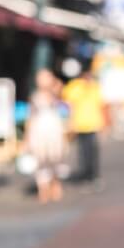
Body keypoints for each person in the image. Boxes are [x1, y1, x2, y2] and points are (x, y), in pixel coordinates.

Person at [24, 69, 68, 203]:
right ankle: (43, 189)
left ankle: (55, 184)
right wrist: (26, 138)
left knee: (55, 159)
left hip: (54, 130)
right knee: (41, 161)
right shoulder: (35, 96)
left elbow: (61, 90)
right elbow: (30, 117)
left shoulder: (55, 93)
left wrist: (53, 83)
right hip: (40, 131)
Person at [62, 66, 106, 184]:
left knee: (93, 150)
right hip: (79, 125)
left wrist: (105, 124)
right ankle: (86, 174)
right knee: (83, 151)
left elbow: (102, 105)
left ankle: (93, 174)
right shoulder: (75, 86)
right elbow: (67, 104)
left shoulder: (95, 87)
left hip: (93, 124)